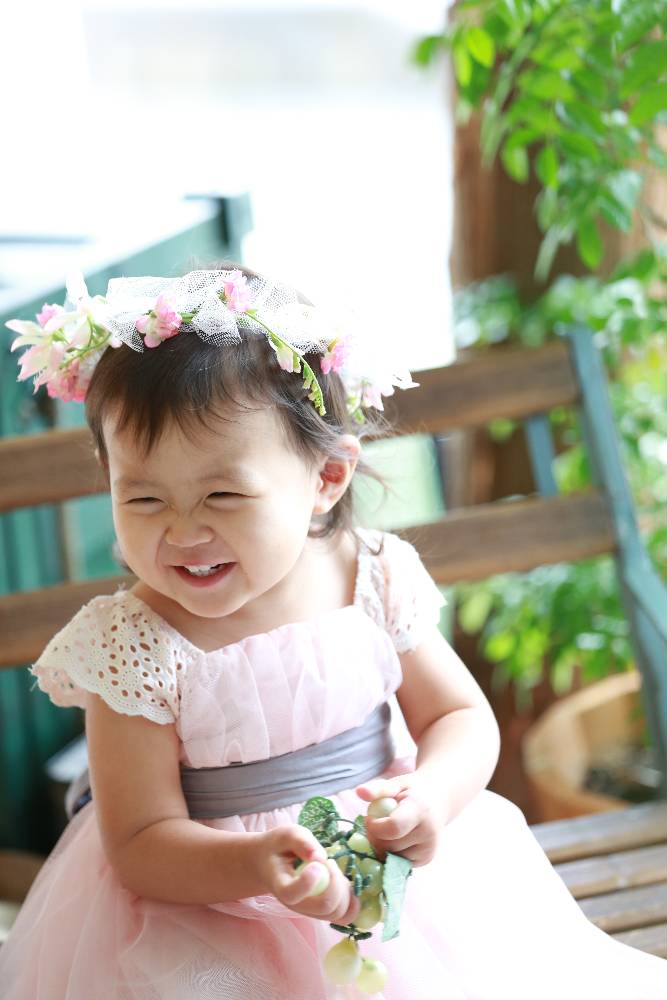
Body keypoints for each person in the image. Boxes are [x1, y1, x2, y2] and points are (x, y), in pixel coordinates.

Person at [1, 265, 665, 1000]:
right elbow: (138, 843)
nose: (183, 532)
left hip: (394, 878)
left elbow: (458, 715)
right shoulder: (135, 642)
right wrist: (254, 864)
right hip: (208, 916)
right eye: (144, 499)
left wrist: (431, 796)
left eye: (223, 493)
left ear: (325, 478)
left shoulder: (369, 576)